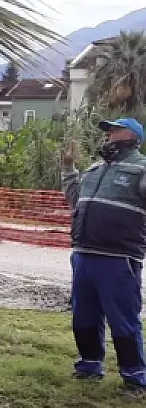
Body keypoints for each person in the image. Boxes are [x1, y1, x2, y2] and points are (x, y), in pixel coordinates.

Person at [61, 118, 146, 393]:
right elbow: (76, 200)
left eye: (115, 131)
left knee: (123, 319)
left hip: (119, 258)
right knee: (83, 316)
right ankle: (89, 365)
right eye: (107, 132)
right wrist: (67, 168)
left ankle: (135, 377)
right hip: (83, 255)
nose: (109, 136)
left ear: (133, 136)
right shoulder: (95, 169)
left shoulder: (141, 168)